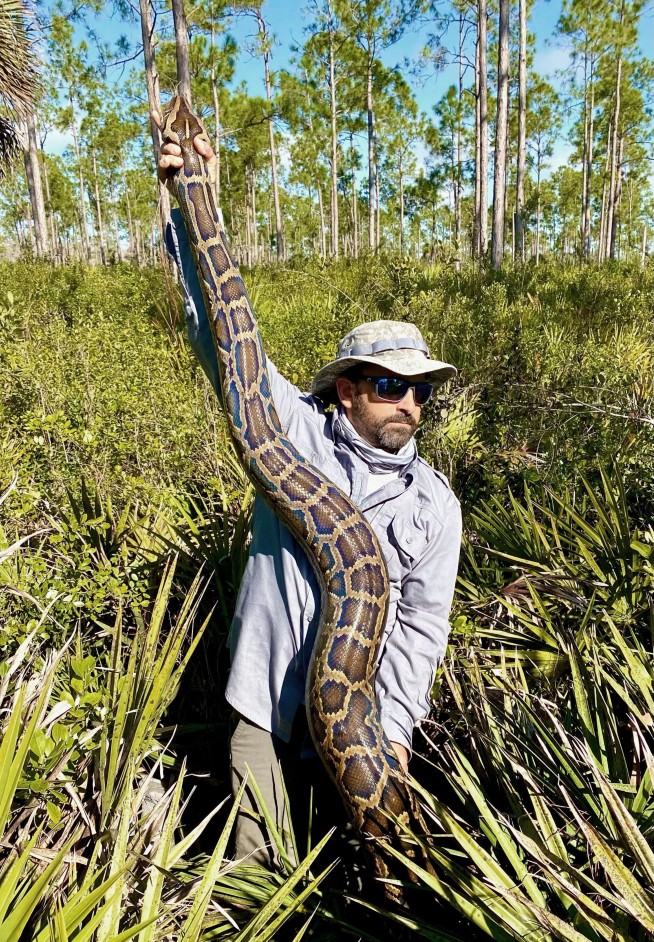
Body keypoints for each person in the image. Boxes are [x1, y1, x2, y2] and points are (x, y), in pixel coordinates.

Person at [156, 121, 462, 870]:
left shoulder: (435, 507)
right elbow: (223, 333)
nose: (410, 404)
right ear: (349, 390)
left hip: (360, 728)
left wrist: (389, 742)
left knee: (361, 884)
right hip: (264, 703)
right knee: (258, 874)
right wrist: (192, 199)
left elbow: (420, 633)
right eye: (391, 386)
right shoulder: (292, 430)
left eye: (420, 391)